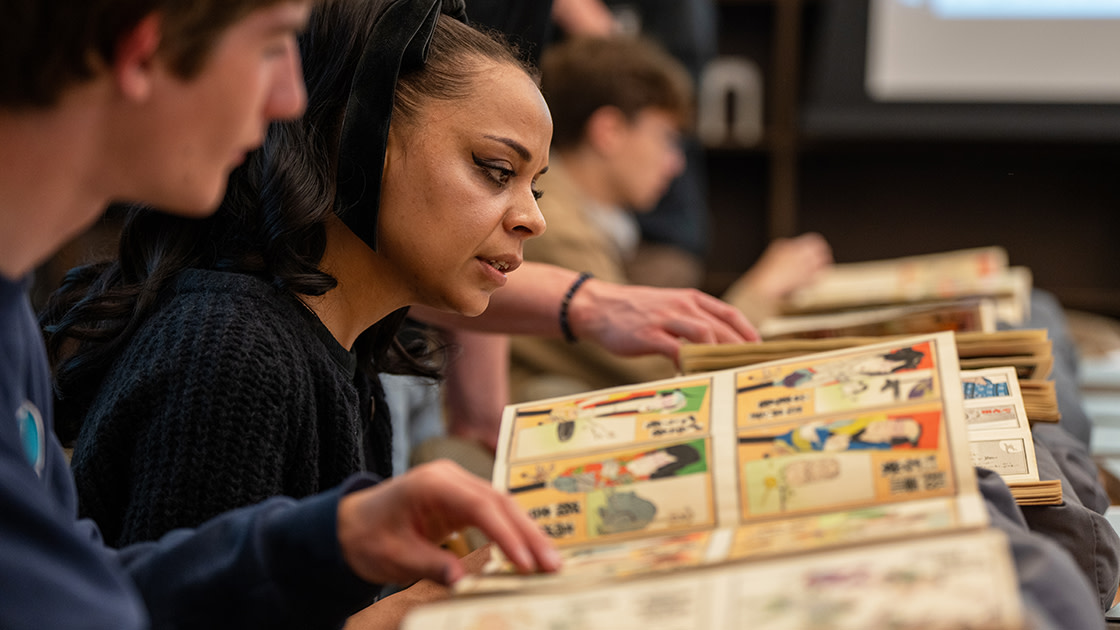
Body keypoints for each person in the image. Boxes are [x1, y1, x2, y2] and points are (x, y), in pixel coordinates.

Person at [1, 1, 562, 629]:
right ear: (356, 132)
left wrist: (334, 541)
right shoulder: (233, 352)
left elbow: (97, 592)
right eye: (495, 170)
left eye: (533, 187)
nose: (290, 98)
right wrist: (416, 609)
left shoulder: (346, 360)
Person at [510, 34, 830, 404]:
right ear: (609, 131)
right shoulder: (558, 226)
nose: (675, 162)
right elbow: (656, 368)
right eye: (666, 137)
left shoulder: (571, 209)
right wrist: (763, 290)